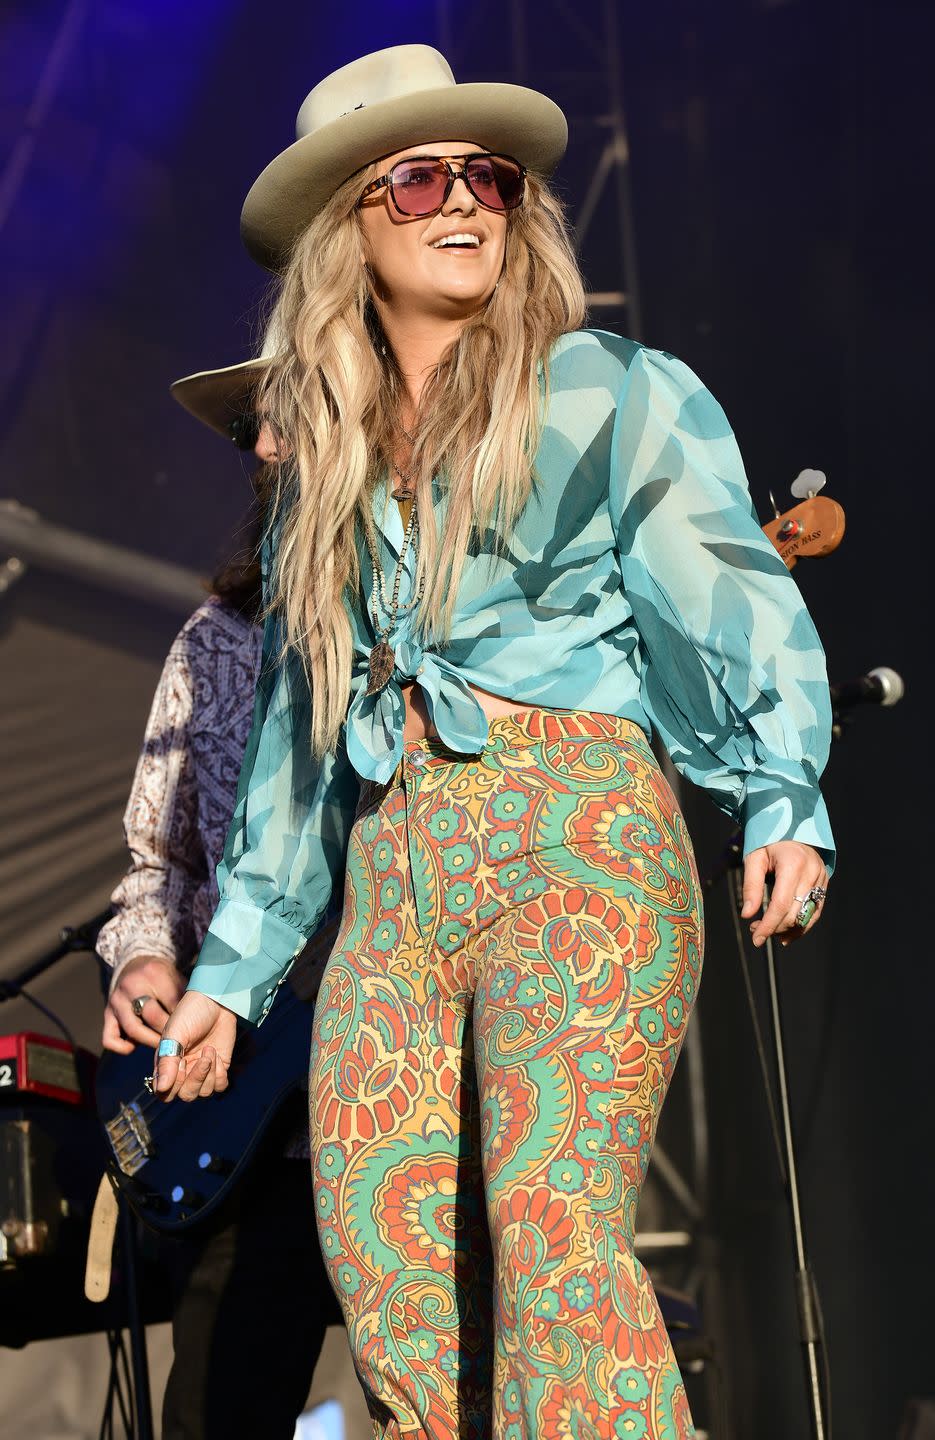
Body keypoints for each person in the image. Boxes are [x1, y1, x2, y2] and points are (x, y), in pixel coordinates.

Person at [153, 44, 834, 1440]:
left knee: (551, 1240)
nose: (464, 200)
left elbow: (724, 588)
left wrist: (779, 792)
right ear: (352, 222)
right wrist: (231, 974)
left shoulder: (606, 386)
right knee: (393, 1289)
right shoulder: (322, 473)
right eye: (417, 178)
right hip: (393, 879)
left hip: (573, 830)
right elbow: (294, 734)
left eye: (491, 176)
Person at [97, 350, 341, 1440]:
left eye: (290, 417)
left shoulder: (454, 622)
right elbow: (157, 865)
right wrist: (144, 955)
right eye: (257, 428)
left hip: (414, 1102)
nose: (262, 447)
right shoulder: (217, 641)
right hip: (246, 1125)